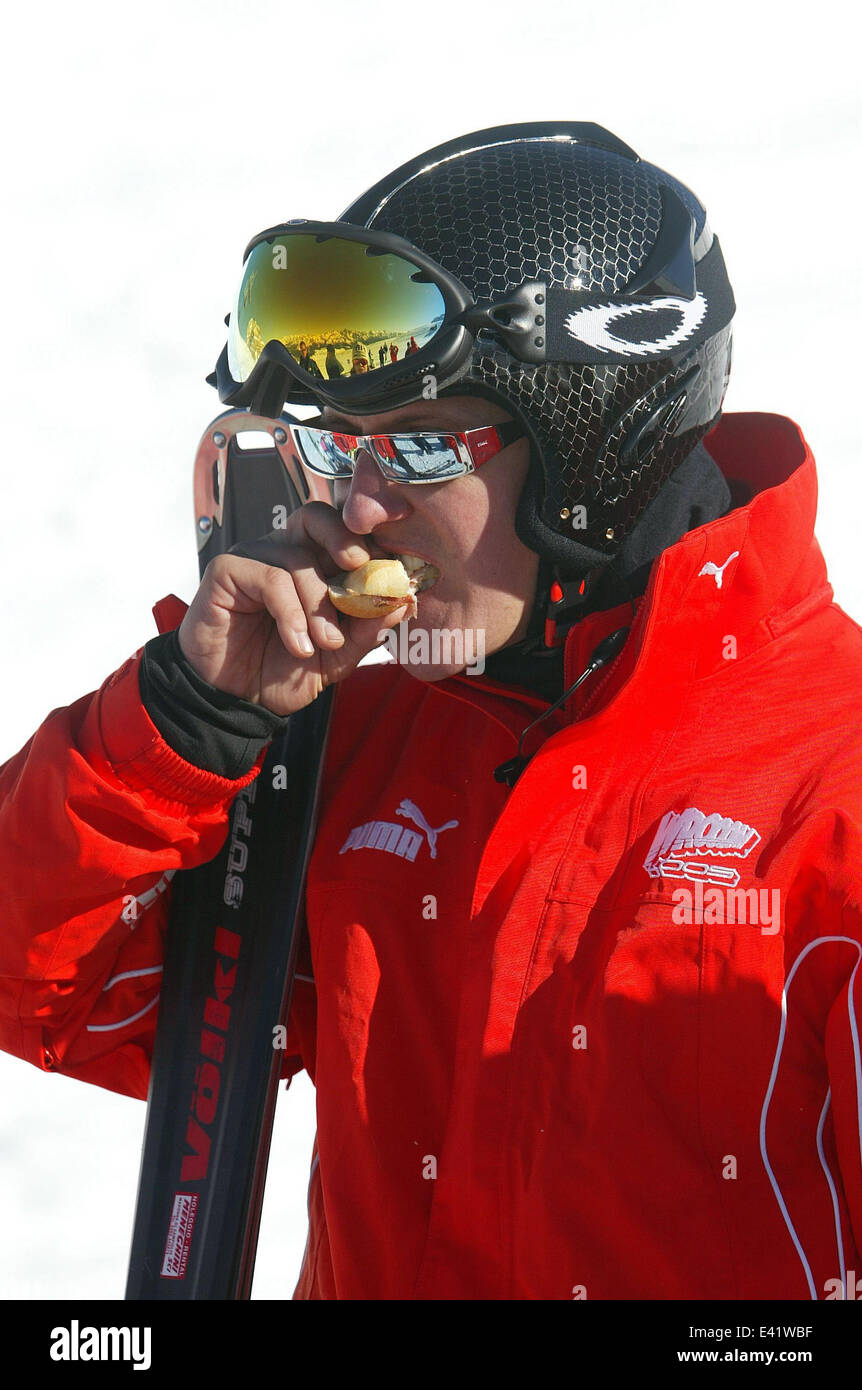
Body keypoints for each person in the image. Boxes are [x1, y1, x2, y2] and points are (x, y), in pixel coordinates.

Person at [1, 121, 861, 1302]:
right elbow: (43, 986)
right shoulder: (350, 730)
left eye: (409, 449)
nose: (354, 510)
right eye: (340, 451)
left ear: (591, 444)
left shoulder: (832, 785)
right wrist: (188, 728)